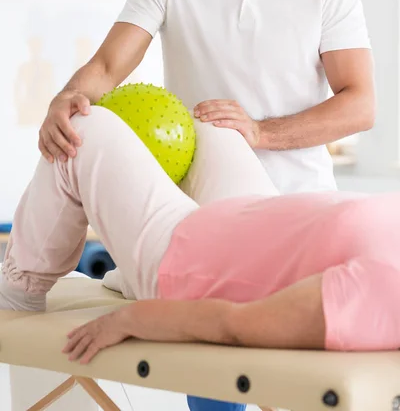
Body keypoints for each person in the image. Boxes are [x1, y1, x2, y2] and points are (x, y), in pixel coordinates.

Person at [35, 0, 375, 411]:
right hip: (204, 232)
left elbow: (360, 103)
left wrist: (261, 132)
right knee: (215, 397)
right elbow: (109, 66)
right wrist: (67, 97)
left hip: (303, 230)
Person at [2, 108, 399, 411]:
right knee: (211, 124)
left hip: (183, 259)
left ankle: (18, 288)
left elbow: (234, 325)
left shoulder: (382, 293)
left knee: (82, 131)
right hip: (246, 215)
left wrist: (130, 319)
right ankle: (127, 267)